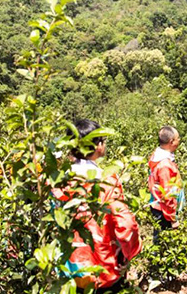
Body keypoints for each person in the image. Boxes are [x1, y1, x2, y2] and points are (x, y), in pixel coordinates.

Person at [55, 119, 142, 293]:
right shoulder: (106, 181)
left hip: (71, 267)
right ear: (98, 146)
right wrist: (129, 253)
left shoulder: (60, 181)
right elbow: (125, 224)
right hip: (104, 267)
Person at [148, 126, 183, 239]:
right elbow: (167, 193)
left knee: (159, 238)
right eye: (178, 138)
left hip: (158, 206)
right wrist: (172, 218)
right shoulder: (165, 165)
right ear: (171, 141)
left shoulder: (157, 156)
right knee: (163, 241)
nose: (179, 140)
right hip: (164, 210)